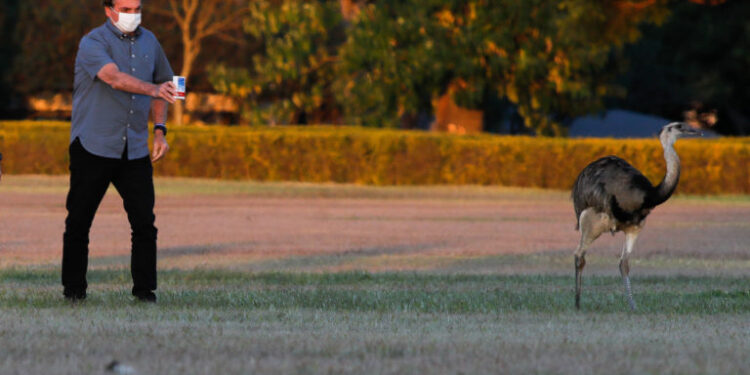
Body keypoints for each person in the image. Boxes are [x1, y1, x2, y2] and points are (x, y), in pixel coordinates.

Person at [63, 0, 176, 302]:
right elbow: (113, 78)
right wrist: (153, 89)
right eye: (125, 9)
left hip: (135, 148)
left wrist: (160, 130)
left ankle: (145, 293)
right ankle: (74, 292)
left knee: (144, 224)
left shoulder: (151, 41)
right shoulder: (93, 42)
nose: (132, 15)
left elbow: (165, 81)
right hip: (93, 145)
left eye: (136, 8)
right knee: (78, 222)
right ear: (108, 10)